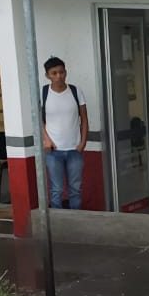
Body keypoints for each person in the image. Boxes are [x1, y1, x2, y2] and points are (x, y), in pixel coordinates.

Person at [40, 56, 88, 210]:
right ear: (47, 75)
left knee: (75, 189)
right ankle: (57, 224)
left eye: (61, 72)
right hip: (53, 151)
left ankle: (76, 221)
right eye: (54, 73)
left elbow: (85, 119)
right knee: (57, 189)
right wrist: (46, 140)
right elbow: (38, 120)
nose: (58, 76)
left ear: (65, 72)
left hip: (74, 149)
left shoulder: (75, 91)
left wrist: (82, 143)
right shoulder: (44, 93)